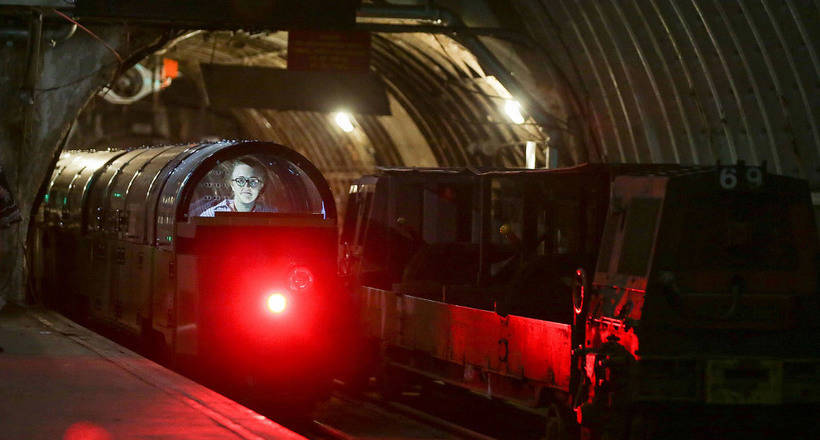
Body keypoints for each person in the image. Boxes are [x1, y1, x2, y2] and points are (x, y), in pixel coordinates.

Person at [199, 156, 276, 216]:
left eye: (253, 181)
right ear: (232, 184)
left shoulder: (272, 215)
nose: (246, 186)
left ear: (261, 186)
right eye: (240, 180)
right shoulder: (212, 215)